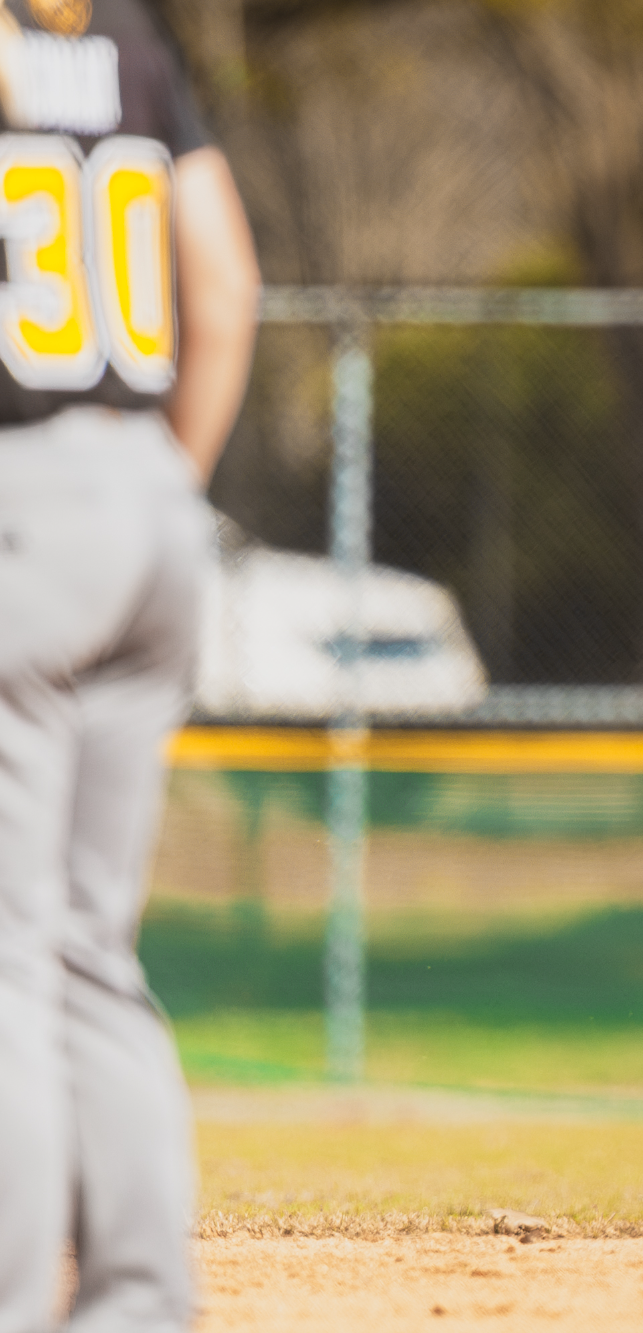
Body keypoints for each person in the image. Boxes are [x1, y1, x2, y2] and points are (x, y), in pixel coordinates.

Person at [0, 3, 260, 1330]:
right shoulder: (133, 38)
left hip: (22, 491)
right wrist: (164, 483)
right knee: (89, 943)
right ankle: (142, 1302)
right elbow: (223, 286)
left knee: (8, 949)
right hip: (150, 496)